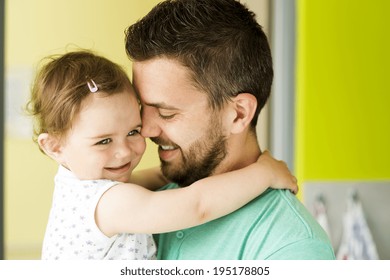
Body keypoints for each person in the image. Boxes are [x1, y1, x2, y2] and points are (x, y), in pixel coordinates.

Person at [26, 50, 297, 260]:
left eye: (133, 131)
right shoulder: (108, 205)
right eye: (104, 141)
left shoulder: (82, 188)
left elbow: (151, 179)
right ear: (55, 147)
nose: (124, 152)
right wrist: (264, 173)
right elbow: (197, 206)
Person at [125, 0, 335, 259]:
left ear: (238, 114)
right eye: (140, 107)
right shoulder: (143, 204)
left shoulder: (291, 247)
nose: (145, 129)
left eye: (167, 113)